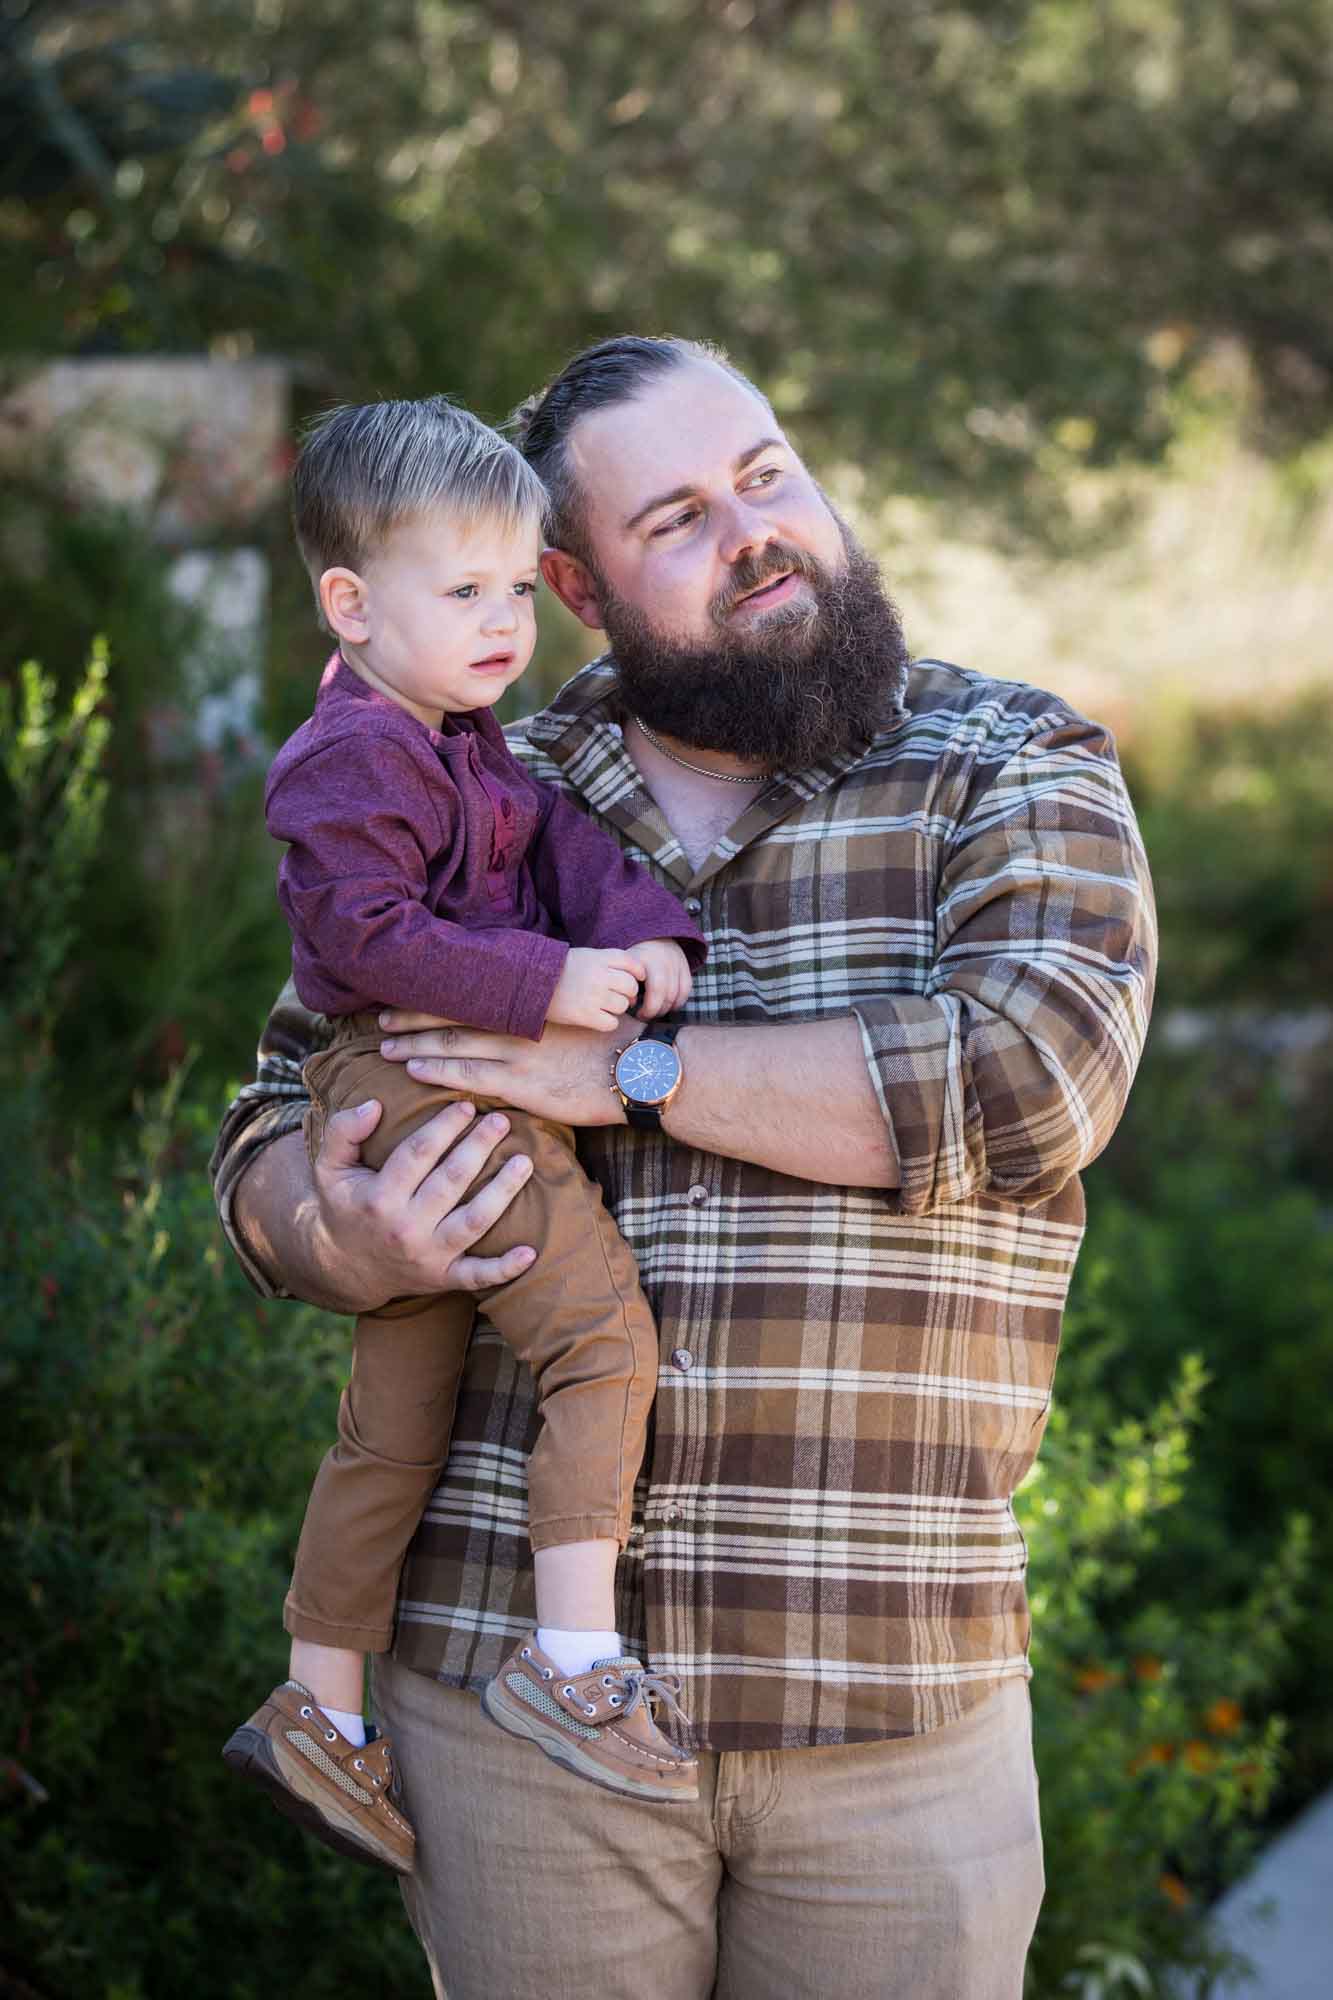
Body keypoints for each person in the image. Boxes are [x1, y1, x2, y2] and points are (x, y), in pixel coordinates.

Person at [212, 335, 1156, 1999]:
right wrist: (334, 1228)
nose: (755, 530)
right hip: (512, 1707)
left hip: (885, 1698)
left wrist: (625, 1068)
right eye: (677, 518)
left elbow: (1029, 1085)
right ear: (570, 581)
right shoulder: (475, 769)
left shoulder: (1009, 765)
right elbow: (275, 1115)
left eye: (767, 472)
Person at [222, 396, 708, 1878]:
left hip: (422, 1078)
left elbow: (569, 853)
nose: (506, 621)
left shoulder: (469, 741)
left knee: (393, 1427)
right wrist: (551, 986)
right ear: (352, 607)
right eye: (464, 591)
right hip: (429, 1075)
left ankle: (319, 1707)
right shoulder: (347, 760)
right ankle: (572, 1665)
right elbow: (365, 936)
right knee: (600, 1348)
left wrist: (651, 936)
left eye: (517, 589)